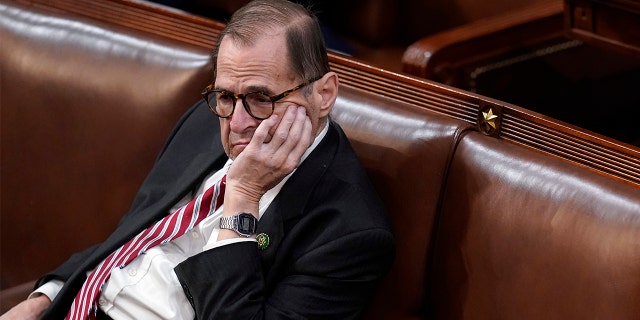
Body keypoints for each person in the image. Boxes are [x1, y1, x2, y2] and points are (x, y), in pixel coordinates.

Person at [1, 0, 394, 319]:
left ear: (323, 94)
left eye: (262, 98)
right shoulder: (210, 121)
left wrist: (243, 196)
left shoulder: (349, 235)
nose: (239, 123)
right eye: (226, 96)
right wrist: (46, 297)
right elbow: (130, 235)